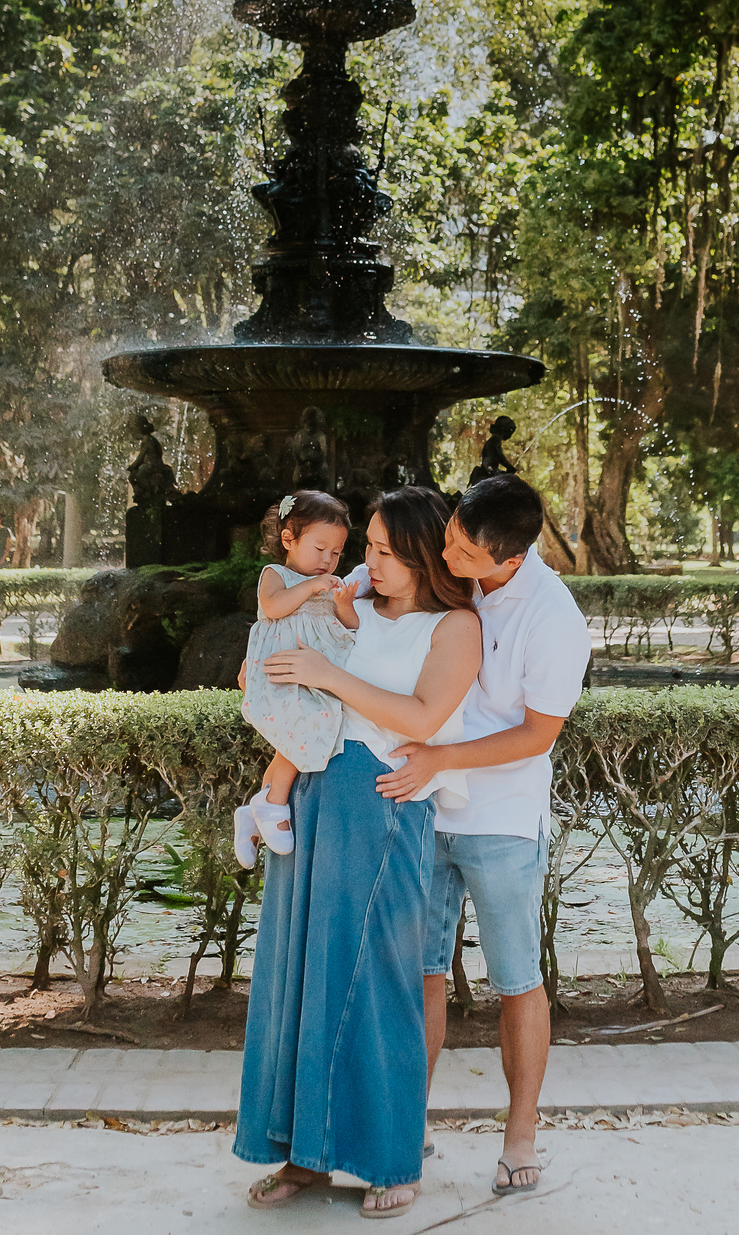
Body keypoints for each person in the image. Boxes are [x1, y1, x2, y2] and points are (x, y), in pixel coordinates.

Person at [234, 486, 482, 1218]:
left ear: (419, 553)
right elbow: (283, 660)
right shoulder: (350, 606)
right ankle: (303, 1154)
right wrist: (264, 675)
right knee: (298, 972)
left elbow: (424, 714)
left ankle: (389, 1158)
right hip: (311, 792)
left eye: (380, 549)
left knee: (378, 978)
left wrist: (326, 675)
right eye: (364, 545)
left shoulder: (454, 626)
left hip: (382, 800)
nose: (365, 561)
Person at [375, 474, 591, 1197]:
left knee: (516, 980)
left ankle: (520, 1132)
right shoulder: (453, 564)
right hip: (427, 807)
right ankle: (407, 1126)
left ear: (505, 556)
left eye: (461, 546)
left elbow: (537, 733)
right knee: (419, 972)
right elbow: (372, 572)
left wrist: (441, 756)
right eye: (449, 532)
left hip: (501, 818)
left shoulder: (553, 618)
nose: (446, 550)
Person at [232, 489, 358, 866]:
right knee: (306, 723)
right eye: (320, 548)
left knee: (314, 724)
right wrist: (311, 587)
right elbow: (272, 607)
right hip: (284, 666)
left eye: (336, 553)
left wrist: (344, 606)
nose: (328, 560)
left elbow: (352, 628)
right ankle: (271, 804)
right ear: (289, 539)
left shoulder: (328, 586)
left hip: (318, 667)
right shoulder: (277, 574)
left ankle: (257, 808)